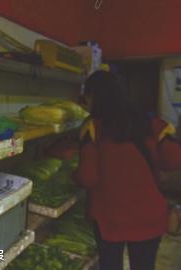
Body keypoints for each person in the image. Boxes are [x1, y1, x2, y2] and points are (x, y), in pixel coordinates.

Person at [74, 70, 181, 270]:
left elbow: (87, 178)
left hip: (110, 219)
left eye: (87, 97)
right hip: (149, 217)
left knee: (110, 265)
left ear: (95, 97)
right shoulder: (152, 124)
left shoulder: (94, 129)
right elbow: (176, 159)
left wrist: (73, 174)